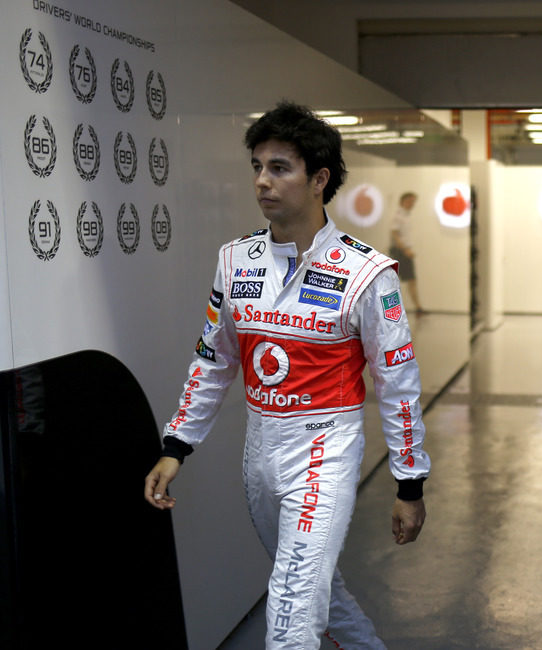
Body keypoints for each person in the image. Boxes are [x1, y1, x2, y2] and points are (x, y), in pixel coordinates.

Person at [143, 101, 429, 650]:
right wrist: (176, 446)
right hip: (260, 451)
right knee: (320, 592)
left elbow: (399, 385)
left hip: (327, 447)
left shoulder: (367, 273)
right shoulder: (236, 260)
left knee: (292, 613)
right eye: (257, 167)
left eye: (279, 168)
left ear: (319, 179)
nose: (262, 182)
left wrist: (409, 484)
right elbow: (214, 359)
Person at [389, 192, 424, 313]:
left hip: (405, 251)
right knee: (394, 281)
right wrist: (405, 249)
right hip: (400, 251)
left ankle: (418, 307)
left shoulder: (406, 216)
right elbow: (394, 234)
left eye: (414, 202)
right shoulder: (398, 216)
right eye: (410, 201)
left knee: (411, 280)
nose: (412, 204)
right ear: (403, 201)